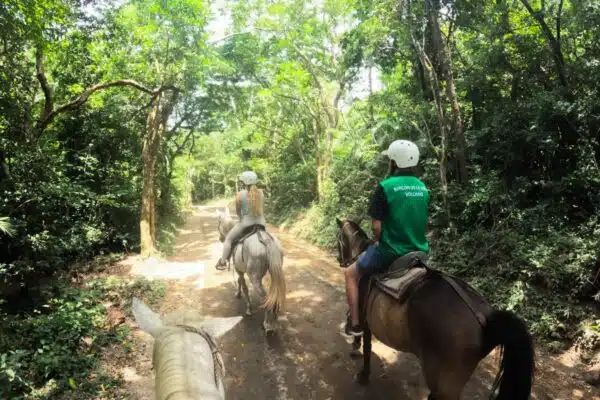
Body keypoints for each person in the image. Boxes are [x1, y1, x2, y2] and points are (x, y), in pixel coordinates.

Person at [343, 139, 430, 337]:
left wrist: (384, 240)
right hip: (420, 253)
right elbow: (423, 222)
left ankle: (355, 325)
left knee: (350, 273)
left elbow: (376, 226)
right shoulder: (422, 187)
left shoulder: (385, 186)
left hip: (391, 252)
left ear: (393, 162)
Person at [215, 170, 266, 269]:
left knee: (228, 240)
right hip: (261, 224)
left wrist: (242, 218)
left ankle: (223, 262)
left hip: (245, 224)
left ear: (244, 182)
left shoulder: (240, 194)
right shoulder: (261, 193)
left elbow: (238, 212)